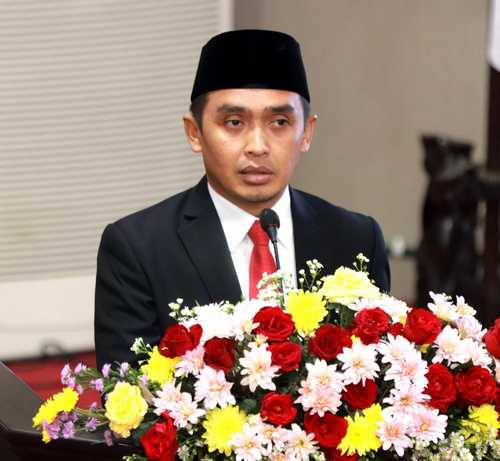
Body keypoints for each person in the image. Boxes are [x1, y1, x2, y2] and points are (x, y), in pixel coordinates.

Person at [94, 29, 390, 369]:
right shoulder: (138, 248)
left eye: (280, 122)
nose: (257, 146)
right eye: (234, 122)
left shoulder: (356, 238)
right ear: (194, 132)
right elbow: (125, 388)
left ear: (306, 133)